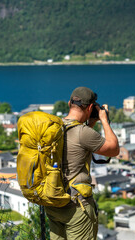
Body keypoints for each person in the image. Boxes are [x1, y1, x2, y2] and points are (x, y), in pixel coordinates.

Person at [45, 86, 119, 240]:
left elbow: (76, 145)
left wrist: (90, 124)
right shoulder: (83, 133)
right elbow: (113, 149)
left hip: (53, 202)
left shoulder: (54, 127)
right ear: (91, 107)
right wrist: (104, 121)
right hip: (76, 207)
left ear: (69, 103)